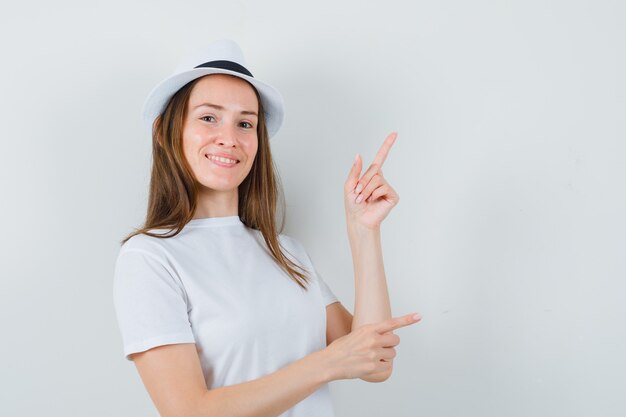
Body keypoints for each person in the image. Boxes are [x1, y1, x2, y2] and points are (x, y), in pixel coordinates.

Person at [113, 39, 423, 417]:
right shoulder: (150, 258)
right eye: (209, 117)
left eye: (245, 123)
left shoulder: (287, 252)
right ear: (165, 131)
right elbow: (189, 412)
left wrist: (364, 231)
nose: (229, 137)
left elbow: (375, 363)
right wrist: (328, 363)